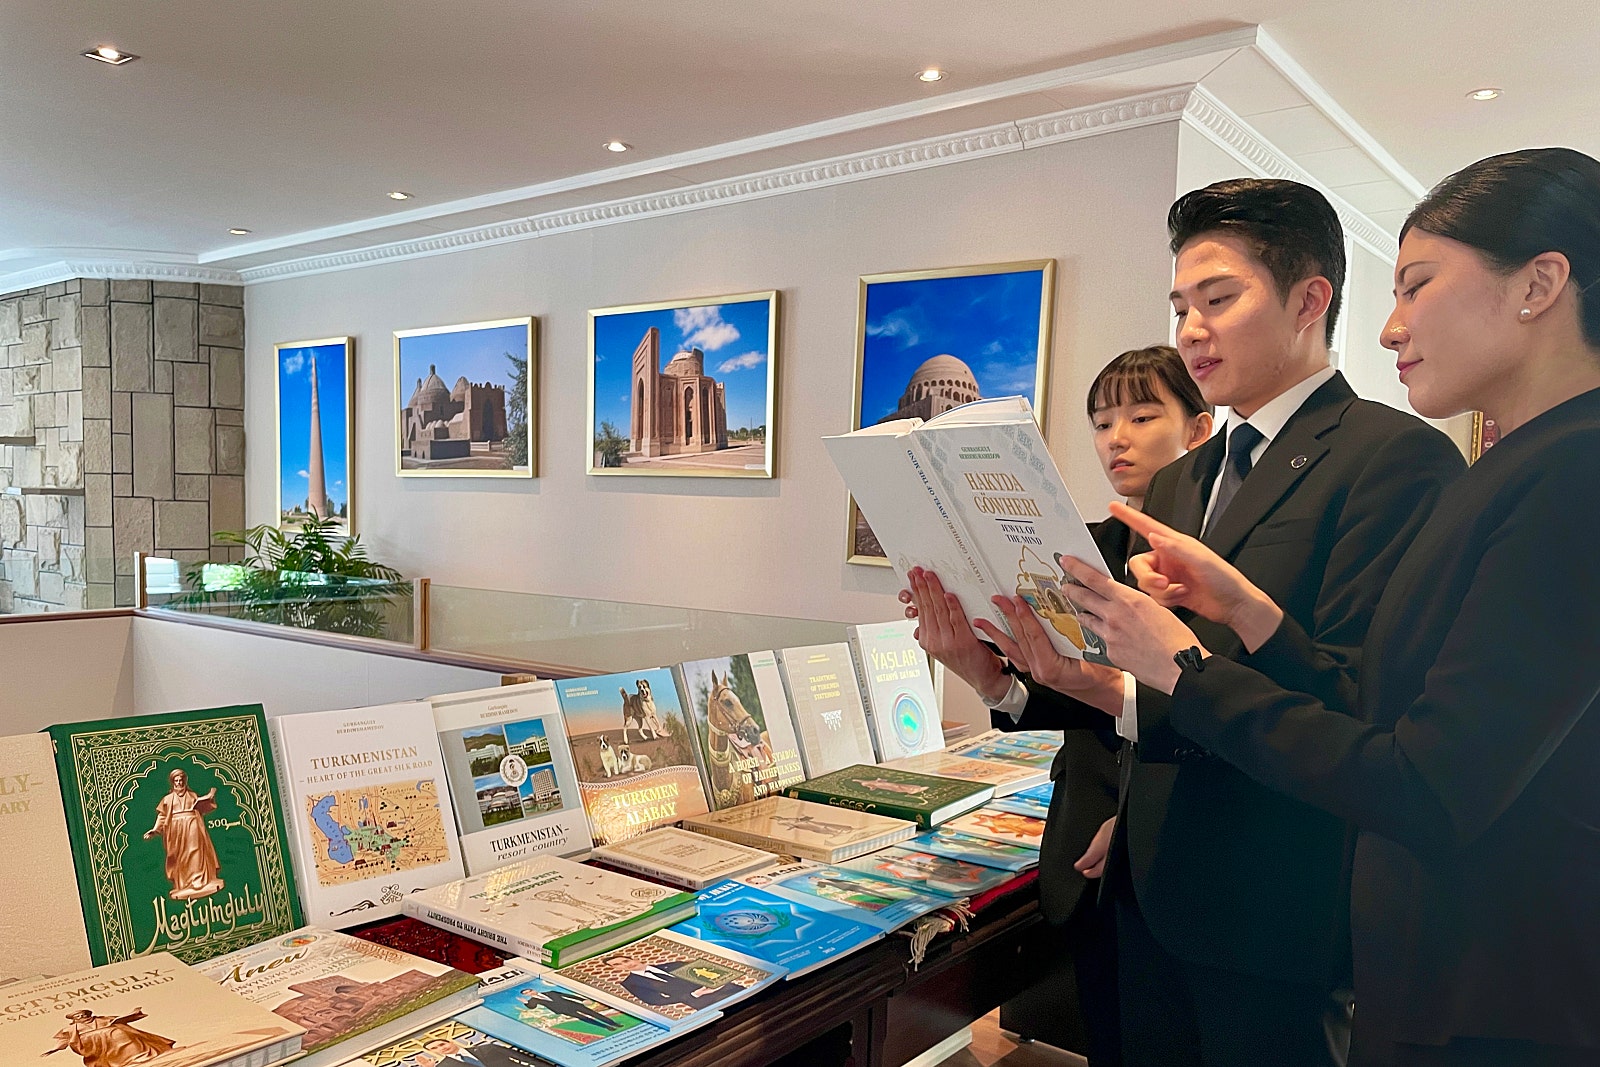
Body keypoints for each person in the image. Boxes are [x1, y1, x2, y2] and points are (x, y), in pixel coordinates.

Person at [1056, 148, 1600, 1066]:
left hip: (1484, 982)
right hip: (1411, 958)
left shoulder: (1563, 471)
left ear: (1540, 284)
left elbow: (1424, 779)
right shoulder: (1515, 465)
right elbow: (1371, 706)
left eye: (1418, 285)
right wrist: (1251, 612)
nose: (1390, 328)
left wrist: (1185, 667)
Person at [970, 178, 1466, 1066]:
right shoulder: (1179, 482)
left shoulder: (1393, 459)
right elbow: (1145, 690)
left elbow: (1358, 703)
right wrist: (1033, 676)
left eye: (1218, 299)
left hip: (1275, 902)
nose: (1191, 330)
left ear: (1309, 300)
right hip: (1145, 880)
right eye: (1180, 308)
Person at [904, 343, 1213, 1065]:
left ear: (1199, 429)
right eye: (1102, 423)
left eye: (1142, 416)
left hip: (1180, 848)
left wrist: (1137, 814)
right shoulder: (1077, 551)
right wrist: (991, 678)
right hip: (1082, 840)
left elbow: (1206, 707)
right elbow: (1064, 691)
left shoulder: (1214, 562)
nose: (1117, 439)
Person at [143, 767, 224, 901]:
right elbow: (162, 816)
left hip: (193, 824)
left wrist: (209, 798)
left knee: (196, 850)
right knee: (180, 856)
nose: (179, 782)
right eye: (176, 780)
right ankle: (185, 883)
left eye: (181, 780)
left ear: (184, 781)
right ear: (173, 782)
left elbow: (201, 807)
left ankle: (198, 879)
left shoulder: (192, 795)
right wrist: (155, 829)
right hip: (176, 829)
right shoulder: (167, 799)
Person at [43, 1008, 174, 1067]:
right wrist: (55, 1049)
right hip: (93, 1046)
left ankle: (140, 1056)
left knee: (120, 1032)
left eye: (83, 1014)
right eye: (78, 1016)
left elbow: (121, 1019)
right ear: (74, 1019)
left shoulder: (102, 1019)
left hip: (113, 1037)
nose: (82, 1017)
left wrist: (133, 1014)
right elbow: (64, 1040)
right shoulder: (70, 1029)